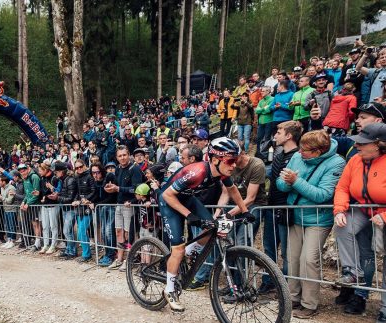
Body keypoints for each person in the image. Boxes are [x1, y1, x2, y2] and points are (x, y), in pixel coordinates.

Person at [159, 137, 255, 312]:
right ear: (215, 159)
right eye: (230, 160)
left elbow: (232, 190)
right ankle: (170, 289)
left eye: (236, 159)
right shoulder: (197, 171)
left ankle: (191, 250)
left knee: (212, 228)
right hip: (169, 200)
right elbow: (167, 195)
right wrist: (188, 215)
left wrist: (245, 210)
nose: (234, 165)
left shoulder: (223, 172)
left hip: (187, 198)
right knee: (178, 249)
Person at [276, 130, 345, 319]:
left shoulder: (336, 162)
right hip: (295, 215)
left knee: (309, 260)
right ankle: (292, 298)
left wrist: (296, 181)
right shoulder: (297, 157)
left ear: (319, 151)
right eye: (301, 148)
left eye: (306, 150)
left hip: (318, 219)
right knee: (292, 258)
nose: (301, 152)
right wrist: (287, 182)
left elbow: (323, 195)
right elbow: (280, 185)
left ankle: (309, 303)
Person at [333, 123, 386, 323]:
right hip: (364, 210)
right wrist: (339, 210)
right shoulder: (355, 160)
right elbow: (342, 187)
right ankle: (353, 272)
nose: (358, 146)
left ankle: (385, 309)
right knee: (343, 226)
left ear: (378, 145)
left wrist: (384, 216)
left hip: (383, 213)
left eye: (363, 144)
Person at [261, 121, 301, 292]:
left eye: (279, 131)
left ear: (289, 135)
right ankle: (268, 281)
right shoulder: (278, 156)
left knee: (286, 251)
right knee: (269, 247)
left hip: (286, 208)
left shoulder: (297, 157)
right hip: (271, 207)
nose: (275, 135)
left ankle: (284, 287)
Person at [105, 146, 143, 270]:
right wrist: (111, 188)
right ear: (116, 157)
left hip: (130, 205)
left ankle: (129, 259)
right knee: (119, 232)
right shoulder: (117, 169)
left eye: (124, 155)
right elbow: (117, 186)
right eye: (120, 156)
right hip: (119, 204)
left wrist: (118, 189)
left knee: (129, 234)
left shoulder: (135, 168)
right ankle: (119, 259)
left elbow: (136, 189)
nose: (122, 158)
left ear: (129, 155)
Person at [72, 159, 96, 262]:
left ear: (84, 166)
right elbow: (76, 192)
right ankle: (86, 253)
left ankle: (86, 255)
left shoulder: (90, 176)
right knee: (80, 232)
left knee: (82, 230)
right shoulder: (76, 177)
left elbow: (93, 191)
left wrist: (86, 200)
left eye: (80, 166)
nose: (79, 169)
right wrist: (75, 200)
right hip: (79, 207)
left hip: (87, 207)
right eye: (77, 168)